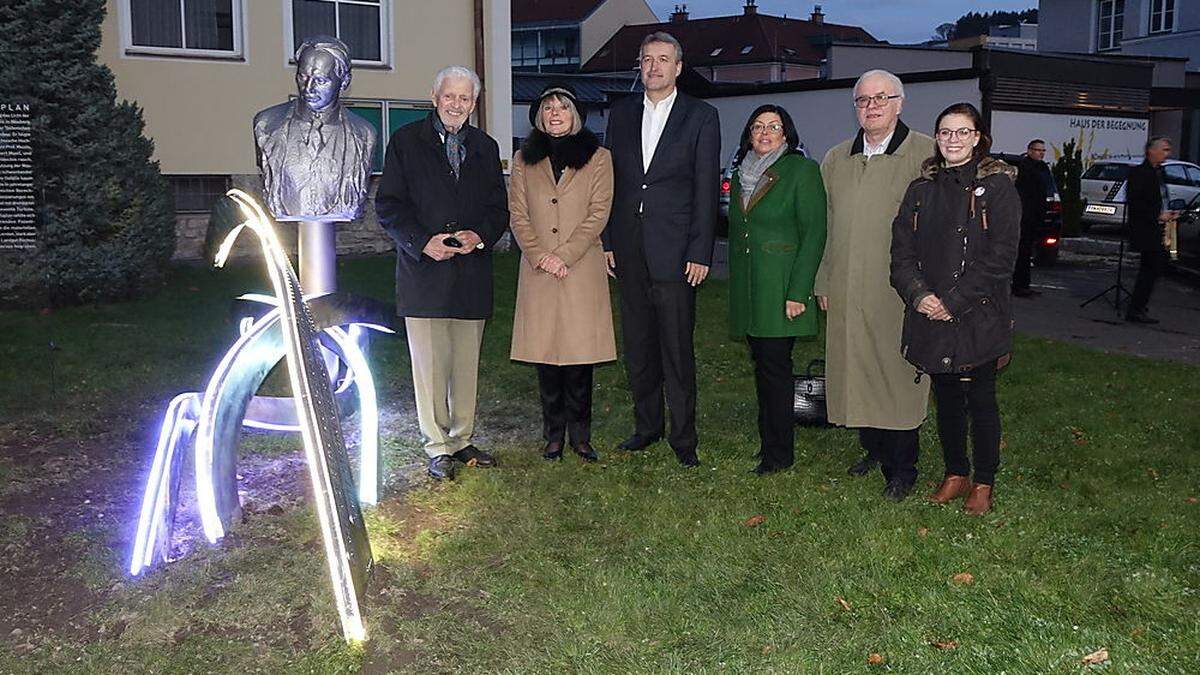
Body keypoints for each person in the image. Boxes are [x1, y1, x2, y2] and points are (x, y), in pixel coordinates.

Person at [375, 66, 509, 481]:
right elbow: (389, 206)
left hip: (471, 273)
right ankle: (437, 445)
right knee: (430, 365)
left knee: (465, 363)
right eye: (449, 96)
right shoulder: (405, 142)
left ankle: (462, 438)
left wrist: (480, 236)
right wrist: (421, 242)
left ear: (474, 103)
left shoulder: (486, 147)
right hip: (424, 273)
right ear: (434, 97)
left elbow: (497, 209)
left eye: (465, 99)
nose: (456, 105)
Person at [890, 102, 1020, 516]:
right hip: (929, 312)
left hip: (977, 314)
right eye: (945, 132)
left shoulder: (998, 189)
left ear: (979, 137)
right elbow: (901, 254)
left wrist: (954, 302)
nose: (953, 140)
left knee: (980, 399)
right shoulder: (920, 190)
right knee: (945, 395)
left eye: (962, 132)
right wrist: (918, 294)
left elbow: (1001, 258)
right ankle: (955, 472)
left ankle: (983, 480)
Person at [602, 32, 720, 468]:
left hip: (676, 252)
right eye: (647, 60)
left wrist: (701, 251)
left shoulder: (701, 116)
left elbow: (706, 188)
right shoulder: (621, 113)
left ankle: (683, 437)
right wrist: (608, 241)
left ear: (678, 66)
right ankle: (646, 427)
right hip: (629, 248)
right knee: (639, 345)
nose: (654, 67)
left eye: (663, 60)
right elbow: (611, 182)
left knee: (675, 348)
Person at [816, 69, 935, 501]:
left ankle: (902, 467)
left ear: (900, 103)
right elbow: (827, 226)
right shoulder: (836, 159)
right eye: (863, 100)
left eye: (881, 98)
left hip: (899, 287)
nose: (872, 107)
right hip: (847, 281)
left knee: (897, 373)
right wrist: (823, 279)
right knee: (856, 366)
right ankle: (873, 447)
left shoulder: (925, 154)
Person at [509, 84, 616, 463]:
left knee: (579, 359)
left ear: (576, 115)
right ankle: (553, 435)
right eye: (549, 108)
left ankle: (581, 436)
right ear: (539, 116)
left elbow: (598, 213)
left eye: (563, 108)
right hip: (538, 270)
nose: (555, 114)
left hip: (580, 268)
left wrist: (564, 255)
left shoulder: (599, 158)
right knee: (545, 358)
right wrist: (540, 255)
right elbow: (518, 215)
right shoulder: (524, 159)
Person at [727, 105, 827, 475]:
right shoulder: (741, 174)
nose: (765, 132)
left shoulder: (801, 170)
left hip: (782, 288)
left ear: (787, 134)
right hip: (751, 290)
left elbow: (814, 233)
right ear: (749, 134)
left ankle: (779, 455)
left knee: (774, 372)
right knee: (764, 369)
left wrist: (798, 291)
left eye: (774, 126)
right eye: (758, 126)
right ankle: (769, 445)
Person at [253, 36, 376, 222]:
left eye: (320, 80)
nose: (308, 88)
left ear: (344, 81)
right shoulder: (266, 124)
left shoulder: (364, 134)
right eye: (303, 76)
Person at [1124, 136, 1175, 325]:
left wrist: (1168, 212)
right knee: (1149, 268)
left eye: (1168, 150)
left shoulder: (1159, 173)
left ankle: (1139, 306)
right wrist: (1156, 215)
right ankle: (1135, 309)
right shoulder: (1140, 173)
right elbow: (1136, 202)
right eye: (1164, 149)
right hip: (1146, 228)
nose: (1166, 154)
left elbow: (1160, 197)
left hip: (1158, 227)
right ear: (1151, 151)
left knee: (1154, 268)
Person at [1012, 139, 1052, 297]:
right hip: (1024, 217)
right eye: (1038, 150)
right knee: (1021, 252)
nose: (1041, 153)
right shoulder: (1025, 168)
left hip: (1036, 216)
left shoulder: (1042, 168)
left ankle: (1024, 284)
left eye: (1043, 150)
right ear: (1029, 150)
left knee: (1027, 252)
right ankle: (1019, 285)